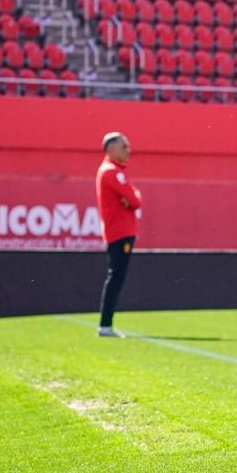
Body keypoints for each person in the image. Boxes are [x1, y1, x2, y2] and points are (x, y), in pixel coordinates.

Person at [95, 131, 142, 338]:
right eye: (124, 146)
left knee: (116, 276)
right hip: (120, 232)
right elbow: (135, 200)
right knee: (116, 276)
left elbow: (134, 198)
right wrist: (129, 199)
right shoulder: (112, 172)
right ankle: (105, 325)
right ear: (111, 148)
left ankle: (106, 324)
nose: (128, 150)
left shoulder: (113, 172)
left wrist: (131, 198)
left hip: (120, 231)